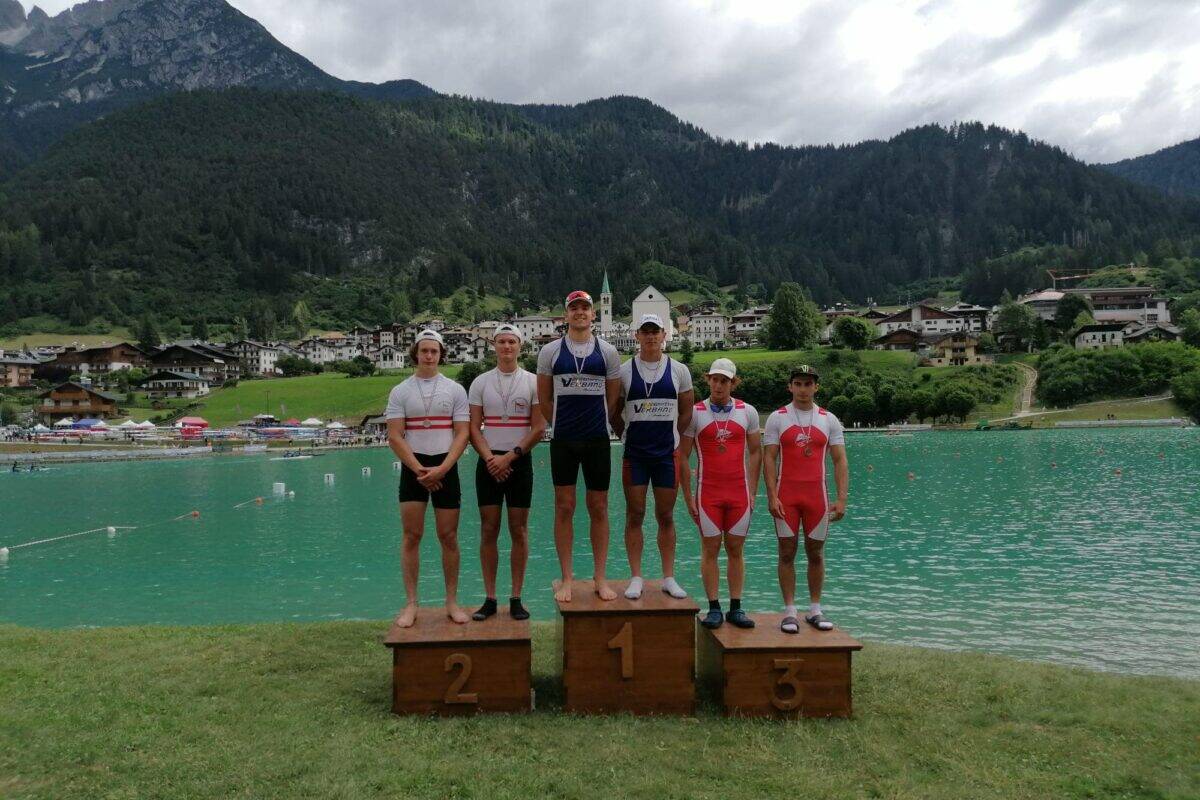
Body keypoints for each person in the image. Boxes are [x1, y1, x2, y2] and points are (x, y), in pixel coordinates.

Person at [536, 290, 622, 603]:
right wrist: (561, 424)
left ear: (593, 314)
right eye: (574, 308)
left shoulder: (608, 352)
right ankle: (567, 578)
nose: (580, 312)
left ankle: (600, 577)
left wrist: (598, 422)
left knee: (599, 507)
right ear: (566, 314)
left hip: (597, 439)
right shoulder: (550, 352)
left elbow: (613, 398)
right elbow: (544, 399)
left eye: (586, 307)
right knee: (564, 507)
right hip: (563, 440)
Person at [386, 329, 472, 627]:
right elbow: (395, 436)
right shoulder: (400, 391)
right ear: (416, 354)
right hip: (414, 469)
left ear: (441, 354)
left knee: (448, 536)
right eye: (424, 350)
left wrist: (443, 469)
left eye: (434, 351)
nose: (429, 355)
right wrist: (419, 469)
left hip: (445, 466)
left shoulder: (455, 390)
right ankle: (411, 604)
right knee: (412, 536)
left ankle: (451, 601)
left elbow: (462, 434)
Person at [611, 314, 693, 600]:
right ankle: (636, 577)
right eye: (645, 332)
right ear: (637, 336)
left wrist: (673, 437)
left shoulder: (679, 370)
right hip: (635, 455)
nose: (650, 336)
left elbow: (686, 411)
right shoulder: (624, 371)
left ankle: (668, 577)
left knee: (666, 515)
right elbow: (614, 412)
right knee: (635, 514)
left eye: (655, 331)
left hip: (666, 455)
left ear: (663, 335)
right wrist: (625, 435)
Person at [762, 365, 849, 634]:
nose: (803, 389)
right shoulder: (777, 418)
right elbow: (769, 458)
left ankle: (815, 609)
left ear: (816, 387)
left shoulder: (829, 419)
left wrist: (842, 499)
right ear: (790, 387)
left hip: (817, 497)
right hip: (786, 496)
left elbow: (840, 460)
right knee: (786, 552)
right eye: (798, 384)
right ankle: (790, 611)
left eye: (808, 384)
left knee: (816, 553)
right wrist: (772, 495)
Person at [467, 324, 546, 621]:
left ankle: (516, 597)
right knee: (489, 529)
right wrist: (491, 459)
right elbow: (473, 427)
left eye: (512, 342)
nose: (507, 347)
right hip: (488, 462)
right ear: (494, 346)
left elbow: (538, 428)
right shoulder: (480, 382)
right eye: (501, 342)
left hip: (519, 462)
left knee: (519, 530)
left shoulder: (533, 381)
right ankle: (489, 598)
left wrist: (510, 458)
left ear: (520, 346)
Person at [679, 358, 761, 628]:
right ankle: (714, 607)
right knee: (710, 549)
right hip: (708, 495)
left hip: (739, 494)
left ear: (733, 383)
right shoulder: (695, 413)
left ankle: (736, 608)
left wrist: (753, 491)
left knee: (736, 549)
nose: (718, 385)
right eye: (714, 379)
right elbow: (683, 456)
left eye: (724, 381)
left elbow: (756, 452)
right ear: (708, 380)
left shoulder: (748, 412)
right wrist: (687, 496)